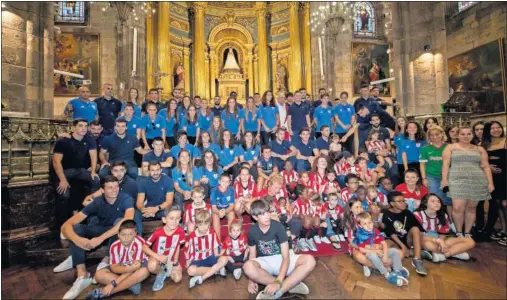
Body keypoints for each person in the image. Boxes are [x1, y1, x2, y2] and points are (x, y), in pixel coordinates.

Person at [56, 176, 135, 299]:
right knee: (76, 228)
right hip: (102, 230)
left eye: (116, 187)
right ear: (102, 190)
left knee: (121, 225)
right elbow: (66, 225)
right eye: (110, 188)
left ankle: (104, 261)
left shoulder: (126, 198)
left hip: (117, 235)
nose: (115, 190)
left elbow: (128, 220)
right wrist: (78, 240)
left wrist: (100, 238)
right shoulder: (97, 201)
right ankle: (83, 275)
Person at [243, 200, 315, 299]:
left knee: (310, 260)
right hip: (266, 262)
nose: (267, 216)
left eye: (268, 212)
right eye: (263, 214)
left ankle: (278, 292)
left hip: (282, 258)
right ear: (255, 217)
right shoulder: (252, 231)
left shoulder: (278, 226)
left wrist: (278, 282)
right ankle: (291, 284)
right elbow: (252, 255)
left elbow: (286, 257)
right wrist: (251, 280)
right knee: (247, 267)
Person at [441, 126, 494, 238]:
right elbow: (445, 164)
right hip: (456, 180)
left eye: (468, 134)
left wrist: (490, 183)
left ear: (472, 135)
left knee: (471, 208)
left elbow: (486, 167)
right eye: (462, 134)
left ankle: (468, 232)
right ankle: (459, 231)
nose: (466, 136)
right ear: (458, 135)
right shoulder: (450, 147)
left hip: (477, 180)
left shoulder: (479, 149)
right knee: (457, 208)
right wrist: (445, 180)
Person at [52, 118, 100, 228]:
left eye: (85, 126)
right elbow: (56, 162)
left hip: (80, 171)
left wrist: (93, 171)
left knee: (96, 180)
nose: (83, 128)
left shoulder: (89, 139)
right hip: (65, 172)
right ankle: (63, 225)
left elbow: (94, 156)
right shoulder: (63, 141)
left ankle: (89, 216)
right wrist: (63, 180)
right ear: (73, 128)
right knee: (64, 194)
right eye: (80, 126)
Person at [86, 220, 150, 299]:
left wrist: (112, 285)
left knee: (144, 271)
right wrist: (124, 271)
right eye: (123, 235)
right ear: (118, 235)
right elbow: (114, 267)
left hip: (136, 270)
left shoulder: (139, 242)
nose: (127, 238)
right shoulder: (114, 246)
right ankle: (131, 284)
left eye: (130, 234)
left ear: (135, 234)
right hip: (123, 269)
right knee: (98, 275)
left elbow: (134, 268)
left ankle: (104, 292)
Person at [414, 194, 475, 263]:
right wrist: (438, 241)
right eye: (432, 201)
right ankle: (455, 252)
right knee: (428, 244)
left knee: (470, 241)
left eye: (438, 201)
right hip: (424, 240)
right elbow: (418, 237)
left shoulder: (443, 215)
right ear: (425, 203)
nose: (436, 203)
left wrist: (442, 244)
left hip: (439, 241)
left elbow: (442, 235)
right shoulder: (417, 215)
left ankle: (446, 254)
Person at [353, 212, 409, 286]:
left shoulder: (375, 231)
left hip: (379, 251)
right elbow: (362, 250)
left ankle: (397, 270)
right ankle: (386, 274)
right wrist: (375, 251)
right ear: (360, 225)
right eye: (365, 224)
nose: (368, 225)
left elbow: (384, 244)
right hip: (369, 254)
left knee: (395, 251)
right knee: (373, 256)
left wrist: (385, 255)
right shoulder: (360, 234)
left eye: (369, 222)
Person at [382, 191, 427, 276]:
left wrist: (409, 246)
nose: (403, 203)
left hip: (407, 240)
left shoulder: (407, 213)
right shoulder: (387, 214)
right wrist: (403, 247)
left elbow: (420, 230)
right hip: (394, 241)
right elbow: (391, 233)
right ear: (392, 203)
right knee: (386, 244)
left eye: (403, 200)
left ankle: (417, 258)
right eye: (399, 201)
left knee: (415, 229)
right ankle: (412, 253)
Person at [144, 205, 185, 291]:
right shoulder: (158, 232)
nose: (174, 221)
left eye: (177, 218)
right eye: (171, 218)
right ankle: (161, 273)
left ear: (180, 219)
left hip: (171, 260)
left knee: (177, 279)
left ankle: (166, 270)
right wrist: (158, 257)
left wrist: (176, 261)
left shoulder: (180, 231)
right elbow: (144, 247)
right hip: (158, 258)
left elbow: (178, 245)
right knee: (151, 266)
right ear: (164, 219)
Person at [419, 125, 453, 228]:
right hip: (432, 176)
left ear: (442, 134)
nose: (434, 137)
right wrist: (424, 178)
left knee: (448, 200)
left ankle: (451, 222)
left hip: (448, 177)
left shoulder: (449, 147)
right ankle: (438, 221)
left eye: (437, 134)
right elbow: (422, 164)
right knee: (435, 199)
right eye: (431, 135)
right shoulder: (425, 149)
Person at [186, 210, 230, 288]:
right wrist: (187, 260)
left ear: (209, 224)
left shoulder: (212, 232)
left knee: (225, 259)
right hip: (198, 260)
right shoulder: (192, 236)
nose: (203, 227)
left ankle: (202, 278)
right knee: (190, 271)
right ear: (196, 224)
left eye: (206, 224)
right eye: (200, 224)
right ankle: (217, 270)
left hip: (210, 257)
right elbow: (187, 249)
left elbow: (216, 247)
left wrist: (218, 256)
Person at [481, 121, 507, 245]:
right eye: (493, 128)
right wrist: (488, 166)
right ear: (488, 130)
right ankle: (503, 230)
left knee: (505, 203)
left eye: (498, 127)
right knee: (497, 204)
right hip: (492, 179)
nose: (496, 130)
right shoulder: (484, 144)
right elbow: (480, 161)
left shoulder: (506, 140)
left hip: (505, 177)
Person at [135, 162, 175, 233]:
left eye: (157, 170)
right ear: (149, 171)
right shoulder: (143, 182)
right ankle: (139, 238)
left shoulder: (168, 180)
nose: (155, 172)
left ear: (161, 170)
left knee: (171, 213)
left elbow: (169, 201)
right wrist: (144, 210)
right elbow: (139, 202)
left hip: (162, 209)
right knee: (136, 214)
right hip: (149, 209)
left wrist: (156, 209)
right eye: (152, 170)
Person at [210, 173, 236, 238]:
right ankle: (218, 240)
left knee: (232, 213)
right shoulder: (214, 190)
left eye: (227, 181)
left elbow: (231, 206)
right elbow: (213, 207)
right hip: (217, 209)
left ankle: (231, 237)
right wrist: (219, 212)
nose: (225, 183)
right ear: (219, 181)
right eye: (223, 181)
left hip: (227, 209)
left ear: (230, 183)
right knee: (215, 216)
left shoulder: (231, 190)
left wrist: (225, 211)